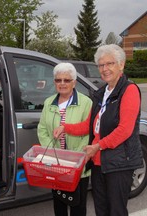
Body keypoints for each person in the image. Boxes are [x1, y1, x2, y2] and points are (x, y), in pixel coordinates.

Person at [53, 44, 143, 216]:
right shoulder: (101, 93)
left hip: (119, 163)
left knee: (116, 211)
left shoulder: (129, 90)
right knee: (101, 210)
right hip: (98, 163)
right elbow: (89, 126)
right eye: (101, 65)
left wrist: (97, 146)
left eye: (110, 64)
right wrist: (65, 128)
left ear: (121, 65)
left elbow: (124, 130)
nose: (105, 69)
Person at [37, 62, 92, 216]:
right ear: (54, 82)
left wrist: (74, 157)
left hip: (77, 164)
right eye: (58, 80)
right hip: (55, 164)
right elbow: (42, 129)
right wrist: (54, 154)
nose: (62, 84)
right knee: (59, 202)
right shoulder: (49, 103)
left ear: (74, 82)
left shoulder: (86, 103)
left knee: (78, 205)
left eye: (67, 80)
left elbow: (89, 131)